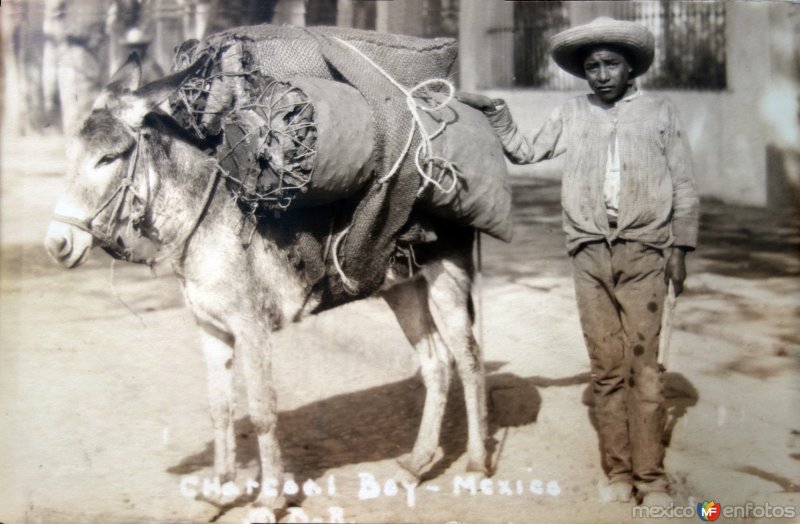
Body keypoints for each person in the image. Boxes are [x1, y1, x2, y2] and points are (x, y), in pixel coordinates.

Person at [457, 17, 699, 506]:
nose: (602, 74)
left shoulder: (660, 112)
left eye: (611, 64)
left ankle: (651, 478)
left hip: (646, 252)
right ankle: (617, 471)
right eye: (592, 66)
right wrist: (495, 113)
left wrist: (680, 250)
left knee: (645, 370)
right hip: (588, 251)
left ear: (631, 67)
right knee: (605, 370)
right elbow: (525, 152)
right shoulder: (571, 112)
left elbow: (685, 188)